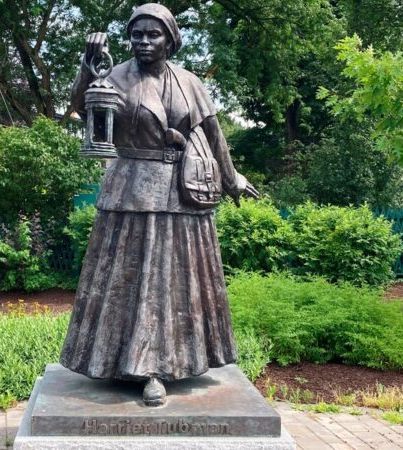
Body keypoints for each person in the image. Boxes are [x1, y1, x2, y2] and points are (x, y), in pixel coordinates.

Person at [59, 3, 259, 407]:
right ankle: (138, 366)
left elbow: (213, 131)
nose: (144, 42)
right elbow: (83, 107)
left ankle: (175, 362)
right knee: (135, 280)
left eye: (153, 35)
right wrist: (88, 64)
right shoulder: (116, 76)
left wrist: (231, 177)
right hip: (132, 188)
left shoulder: (189, 82)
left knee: (177, 281)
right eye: (137, 35)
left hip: (182, 193)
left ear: (170, 39)